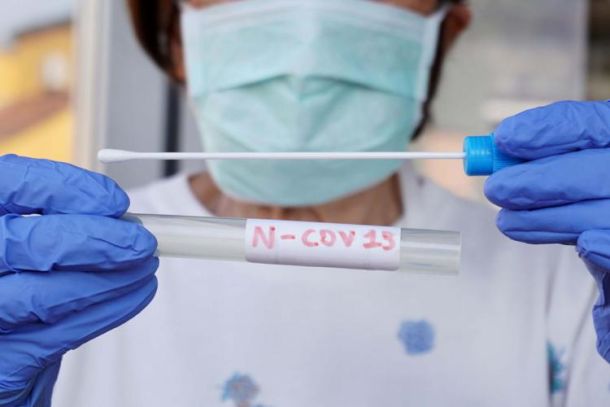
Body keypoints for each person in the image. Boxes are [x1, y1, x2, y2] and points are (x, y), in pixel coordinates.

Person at [0, 0, 609, 406]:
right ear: (177, 38)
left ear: (442, 33)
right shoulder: (58, 275)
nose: (306, 26)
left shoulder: (566, 278)